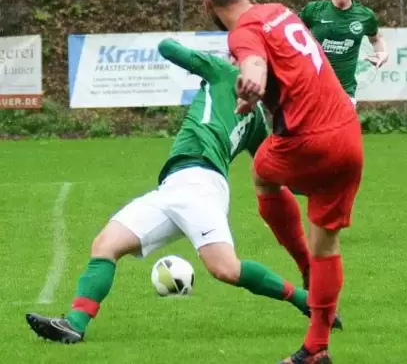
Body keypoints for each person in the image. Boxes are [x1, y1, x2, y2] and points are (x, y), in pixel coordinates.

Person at [25, 38, 340, 344]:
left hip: (199, 185)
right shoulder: (259, 121)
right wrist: (314, 183)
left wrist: (201, 61)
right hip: (174, 187)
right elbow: (272, 171)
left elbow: (166, 48)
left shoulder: (222, 71)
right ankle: (74, 324)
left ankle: (307, 301)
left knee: (226, 269)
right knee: (106, 244)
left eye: (236, 55)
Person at [196, 0, 363, 364]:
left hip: (305, 140)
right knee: (327, 239)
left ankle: (304, 267)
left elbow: (254, 61)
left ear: (206, 3)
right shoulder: (280, 11)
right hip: (347, 132)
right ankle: (316, 347)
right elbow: (286, 64)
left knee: (261, 175)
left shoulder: (243, 32)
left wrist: (251, 80)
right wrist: (255, 93)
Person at [298, 0, 388, 105]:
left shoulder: (365, 16)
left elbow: (377, 38)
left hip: (345, 95)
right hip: (313, 93)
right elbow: (290, 35)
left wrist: (383, 53)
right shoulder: (312, 11)